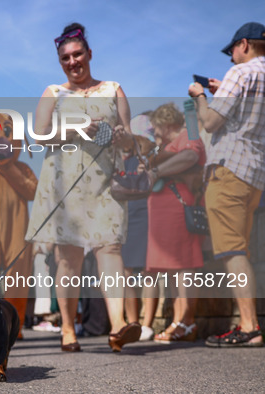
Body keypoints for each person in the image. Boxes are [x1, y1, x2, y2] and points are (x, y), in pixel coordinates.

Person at [26, 23, 138, 352]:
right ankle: (68, 329)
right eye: (65, 58)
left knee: (110, 249)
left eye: (78, 55)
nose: (73, 62)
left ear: (89, 54)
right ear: (60, 62)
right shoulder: (53, 92)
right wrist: (77, 129)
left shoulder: (114, 88)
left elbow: (130, 138)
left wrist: (122, 137)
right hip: (63, 185)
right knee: (68, 260)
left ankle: (118, 326)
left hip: (106, 182)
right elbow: (39, 135)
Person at [189, 22, 265, 347]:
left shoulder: (241, 71)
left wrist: (201, 96)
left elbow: (209, 122)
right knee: (242, 248)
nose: (232, 58)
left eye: (233, 51)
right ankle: (250, 324)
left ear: (244, 44)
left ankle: (249, 327)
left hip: (228, 169)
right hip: (255, 174)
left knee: (233, 250)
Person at [145, 103, 206, 343]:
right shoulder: (167, 143)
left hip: (177, 205)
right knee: (172, 269)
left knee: (184, 265)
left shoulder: (187, 133)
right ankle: (178, 320)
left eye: (156, 127)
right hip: (163, 209)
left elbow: (191, 155)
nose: (155, 132)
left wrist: (155, 171)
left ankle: (187, 321)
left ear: (165, 122)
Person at [120, 113, 158, 341]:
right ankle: (133, 323)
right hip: (128, 216)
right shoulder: (124, 161)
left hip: (149, 214)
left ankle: (147, 324)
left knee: (148, 271)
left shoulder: (154, 158)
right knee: (125, 272)